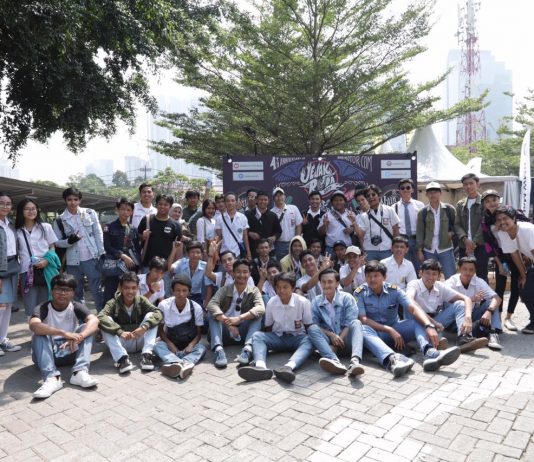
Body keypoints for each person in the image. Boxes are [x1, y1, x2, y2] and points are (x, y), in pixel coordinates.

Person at [357, 261, 461, 375]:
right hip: (375, 334)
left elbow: (413, 308)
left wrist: (429, 325)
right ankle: (393, 360)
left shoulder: (394, 290)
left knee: (417, 320)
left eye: (376, 276)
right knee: (362, 329)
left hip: (396, 330)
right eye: (369, 276)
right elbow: (363, 319)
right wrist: (389, 330)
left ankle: (429, 352)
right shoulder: (360, 292)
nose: (372, 279)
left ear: (384, 277)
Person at [29, 273, 99, 399]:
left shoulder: (76, 306)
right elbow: (34, 325)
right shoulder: (43, 308)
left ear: (73, 293)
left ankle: (79, 372)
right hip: (49, 355)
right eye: (58, 289)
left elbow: (95, 321)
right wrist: (63, 333)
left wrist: (80, 336)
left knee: (86, 328)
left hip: (71, 350)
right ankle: (52, 378)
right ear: (51, 291)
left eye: (66, 290)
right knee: (38, 334)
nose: (62, 293)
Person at [237, 272, 314, 383]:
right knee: (257, 336)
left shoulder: (303, 302)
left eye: (285, 287)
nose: (281, 290)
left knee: (310, 339)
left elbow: (308, 326)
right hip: (278, 337)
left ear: (293, 288)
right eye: (278, 287)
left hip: (297, 338)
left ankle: (288, 367)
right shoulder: (271, 303)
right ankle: (260, 367)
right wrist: (269, 342)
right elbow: (268, 326)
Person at [406, 259, 488, 352]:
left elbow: (467, 299)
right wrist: (434, 323)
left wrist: (468, 318)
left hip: (435, 320)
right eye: (427, 273)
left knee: (460, 304)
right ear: (420, 273)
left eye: (434, 274)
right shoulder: (413, 284)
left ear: (439, 276)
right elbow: (410, 302)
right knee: (437, 337)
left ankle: (464, 339)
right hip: (417, 322)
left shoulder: (439, 286)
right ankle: (434, 343)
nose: (430, 277)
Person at [98, 272, 162, 373]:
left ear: (138, 288)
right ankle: (122, 359)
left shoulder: (142, 300)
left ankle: (147, 355)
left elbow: (158, 313)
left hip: (139, 340)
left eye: (133, 288)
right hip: (122, 341)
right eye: (127, 288)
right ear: (120, 288)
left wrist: (144, 327)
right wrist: (119, 332)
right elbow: (101, 316)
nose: (130, 291)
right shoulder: (113, 302)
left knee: (151, 316)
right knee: (104, 321)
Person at [206, 259, 265, 368]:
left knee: (258, 314)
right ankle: (219, 350)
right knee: (212, 313)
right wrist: (228, 324)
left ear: (249, 274)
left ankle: (247, 349)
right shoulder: (224, 289)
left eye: (245, 272)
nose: (241, 275)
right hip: (224, 332)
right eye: (238, 272)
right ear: (233, 273)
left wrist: (240, 318)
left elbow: (261, 308)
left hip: (243, 332)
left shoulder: (254, 290)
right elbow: (211, 305)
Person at [53, 187, 105, 310]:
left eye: (75, 199)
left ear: (80, 200)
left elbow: (98, 233)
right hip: (72, 262)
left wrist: (101, 253)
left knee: (97, 290)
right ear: (65, 200)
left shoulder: (90, 213)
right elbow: (56, 242)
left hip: (92, 258)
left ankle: (102, 316)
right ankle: (82, 317)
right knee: (76, 291)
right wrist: (69, 241)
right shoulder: (59, 220)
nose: (73, 202)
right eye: (69, 199)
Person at [308, 269, 365, 377]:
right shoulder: (316, 301)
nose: (326, 285)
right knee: (312, 329)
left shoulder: (347, 298)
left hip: (346, 342)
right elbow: (315, 325)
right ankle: (334, 361)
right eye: (323, 282)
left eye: (330, 282)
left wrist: (338, 340)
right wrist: (331, 335)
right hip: (329, 344)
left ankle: (355, 362)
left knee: (356, 322)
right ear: (320, 283)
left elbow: (350, 322)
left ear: (337, 283)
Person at [481, 190, 521, 330]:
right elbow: (489, 244)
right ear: (484, 205)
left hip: (516, 253)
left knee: (516, 286)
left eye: (494, 199)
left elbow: (521, 225)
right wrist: (499, 264)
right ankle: (497, 317)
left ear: (499, 200)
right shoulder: (485, 220)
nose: (491, 203)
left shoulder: (508, 211)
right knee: (499, 288)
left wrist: (503, 225)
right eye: (487, 201)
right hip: (501, 256)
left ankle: (509, 318)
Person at [154, 274, 206, 380]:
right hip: (171, 345)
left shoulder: (196, 308)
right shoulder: (163, 305)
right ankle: (180, 363)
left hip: (188, 347)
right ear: (172, 291)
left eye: (184, 290)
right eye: (177, 290)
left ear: (189, 292)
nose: (181, 294)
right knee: (156, 346)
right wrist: (170, 344)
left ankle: (179, 363)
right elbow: (160, 331)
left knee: (201, 348)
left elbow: (199, 334)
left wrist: (191, 345)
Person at [444, 257, 502, 350]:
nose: (468, 272)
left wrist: (489, 311)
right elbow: (447, 300)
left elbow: (497, 298)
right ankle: (465, 336)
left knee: (492, 303)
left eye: (471, 270)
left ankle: (493, 333)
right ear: (459, 269)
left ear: (475, 271)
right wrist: (471, 299)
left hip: (472, 316)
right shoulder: (451, 282)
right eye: (464, 269)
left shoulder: (479, 282)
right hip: (454, 320)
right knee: (460, 304)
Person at [17, 198, 60, 316]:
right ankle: (34, 326)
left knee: (47, 302)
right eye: (27, 209)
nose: (31, 211)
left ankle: (47, 326)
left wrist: (46, 260)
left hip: (46, 269)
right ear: (21, 211)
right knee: (30, 305)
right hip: (27, 271)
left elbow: (52, 246)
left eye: (33, 208)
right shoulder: (17, 231)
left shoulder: (46, 227)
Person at [495, 206, 534, 333]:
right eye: (499, 219)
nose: (502, 222)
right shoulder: (503, 233)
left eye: (505, 218)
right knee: (524, 288)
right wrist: (524, 276)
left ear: (514, 218)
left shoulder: (527, 229)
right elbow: (515, 255)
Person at [102, 198, 141, 303]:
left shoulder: (133, 229)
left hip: (129, 266)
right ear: (117, 210)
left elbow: (136, 249)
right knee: (110, 293)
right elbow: (107, 246)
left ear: (132, 212)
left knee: (128, 293)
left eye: (128, 210)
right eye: (122, 209)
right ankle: (108, 313)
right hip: (114, 265)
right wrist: (122, 255)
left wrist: (138, 266)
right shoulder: (109, 226)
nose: (125, 212)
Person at [415, 182, 457, 279]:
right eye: (430, 192)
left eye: (435, 192)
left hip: (446, 248)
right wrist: (420, 251)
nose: (432, 194)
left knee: (451, 277)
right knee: (430, 277)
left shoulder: (449, 209)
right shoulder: (423, 212)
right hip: (429, 249)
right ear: (426, 194)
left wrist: (452, 233)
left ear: (440, 193)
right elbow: (420, 232)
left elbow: (456, 225)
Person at [455, 173, 488, 281]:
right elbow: (457, 224)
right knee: (465, 275)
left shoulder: (484, 202)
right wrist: (465, 239)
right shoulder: (460, 204)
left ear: (477, 184)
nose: (468, 186)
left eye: (471, 183)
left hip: (480, 245)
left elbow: (484, 224)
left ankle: (483, 293)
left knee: (481, 275)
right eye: (465, 184)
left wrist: (473, 242)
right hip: (464, 245)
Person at [0, 192, 21, 354]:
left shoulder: (10, 224)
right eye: (1, 203)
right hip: (1, 270)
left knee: (7, 306)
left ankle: (3, 339)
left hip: (12, 267)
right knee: (0, 305)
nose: (5, 206)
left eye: (8, 204)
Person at [356, 184, 400, 261]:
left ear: (379, 195)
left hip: (386, 249)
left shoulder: (389, 210)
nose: (371, 197)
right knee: (370, 269)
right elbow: (361, 236)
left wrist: (395, 246)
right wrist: (354, 222)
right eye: (368, 196)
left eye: (373, 194)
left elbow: (396, 229)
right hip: (369, 250)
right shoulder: (363, 216)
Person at [393, 179, 424, 272]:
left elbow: (423, 225)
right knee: (404, 268)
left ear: (412, 190)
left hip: (416, 240)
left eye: (408, 187)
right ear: (399, 191)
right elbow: (393, 228)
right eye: (402, 188)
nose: (405, 190)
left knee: (419, 267)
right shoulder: (393, 207)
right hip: (402, 241)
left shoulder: (420, 205)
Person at [318, 190, 362, 255]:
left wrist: (352, 229)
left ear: (345, 202)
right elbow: (320, 233)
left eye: (341, 200)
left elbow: (360, 231)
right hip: (331, 248)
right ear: (332, 203)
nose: (338, 202)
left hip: (347, 248)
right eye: (335, 200)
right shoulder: (326, 215)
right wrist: (325, 225)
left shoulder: (351, 214)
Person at [215, 192, 251, 260]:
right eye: (228, 201)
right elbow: (218, 238)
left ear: (236, 202)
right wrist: (216, 253)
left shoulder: (242, 217)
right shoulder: (219, 219)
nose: (230, 203)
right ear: (225, 203)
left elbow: (245, 237)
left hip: (238, 252)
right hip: (224, 252)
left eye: (232, 200)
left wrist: (248, 253)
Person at [245, 190, 281, 258]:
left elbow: (278, 231)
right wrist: (249, 233)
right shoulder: (248, 215)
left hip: (269, 252)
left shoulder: (273, 215)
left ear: (268, 201)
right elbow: (243, 231)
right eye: (261, 199)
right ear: (256, 200)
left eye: (265, 200)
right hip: (253, 251)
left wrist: (274, 237)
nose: (263, 202)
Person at [170, 241, 207, 306]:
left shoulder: (205, 266)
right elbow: (170, 270)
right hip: (181, 294)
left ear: (201, 254)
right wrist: (174, 250)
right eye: (192, 252)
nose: (195, 255)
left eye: (198, 252)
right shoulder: (182, 262)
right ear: (187, 254)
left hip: (197, 296)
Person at [271, 187, 303, 260]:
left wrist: (297, 240)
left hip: (293, 243)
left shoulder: (293, 208)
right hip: (278, 244)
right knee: (280, 264)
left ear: (285, 197)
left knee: (294, 263)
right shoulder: (271, 212)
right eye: (277, 196)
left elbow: (298, 225)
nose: (279, 198)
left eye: (281, 195)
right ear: (273, 199)